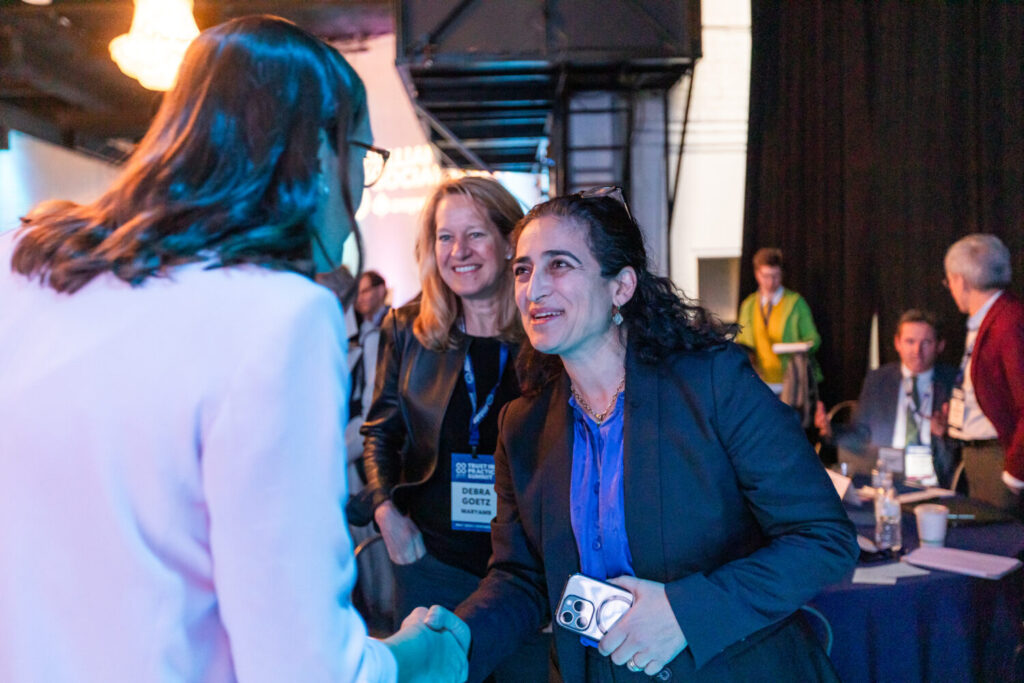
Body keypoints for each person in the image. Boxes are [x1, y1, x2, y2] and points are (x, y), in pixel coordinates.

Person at [0, 16, 467, 683]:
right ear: (314, 155)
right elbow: (302, 665)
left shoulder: (26, 262)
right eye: (361, 155)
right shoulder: (279, 318)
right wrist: (412, 656)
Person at [450, 189, 859, 682]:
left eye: (559, 265)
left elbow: (823, 538)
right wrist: (450, 640)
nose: (534, 290)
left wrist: (685, 613)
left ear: (621, 286)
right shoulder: (524, 424)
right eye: (522, 269)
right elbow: (525, 578)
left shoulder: (710, 384)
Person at [360, 175, 548, 681]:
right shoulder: (407, 328)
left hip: (528, 575)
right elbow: (382, 430)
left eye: (475, 234)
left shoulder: (546, 330)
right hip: (430, 562)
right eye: (446, 237)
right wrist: (385, 513)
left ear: (511, 241)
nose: (458, 251)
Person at [817, 309, 957, 486]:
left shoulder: (953, 382)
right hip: (885, 475)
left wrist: (945, 433)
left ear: (940, 345)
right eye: (910, 341)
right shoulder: (878, 380)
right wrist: (830, 432)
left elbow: (964, 451)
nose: (917, 350)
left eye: (926, 342)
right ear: (897, 343)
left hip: (935, 477)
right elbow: (861, 434)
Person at [943, 234, 1024, 514]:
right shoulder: (989, 318)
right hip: (981, 455)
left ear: (961, 281)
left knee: (1002, 548)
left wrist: (1016, 470)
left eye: (949, 281)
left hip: (1000, 458)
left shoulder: (1008, 322)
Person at [736, 247, 823, 391]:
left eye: (775, 276)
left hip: (792, 382)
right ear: (757, 274)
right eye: (766, 276)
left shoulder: (795, 303)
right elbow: (744, 344)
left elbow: (814, 339)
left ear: (781, 274)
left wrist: (797, 347)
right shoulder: (749, 305)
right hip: (760, 382)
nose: (770, 282)